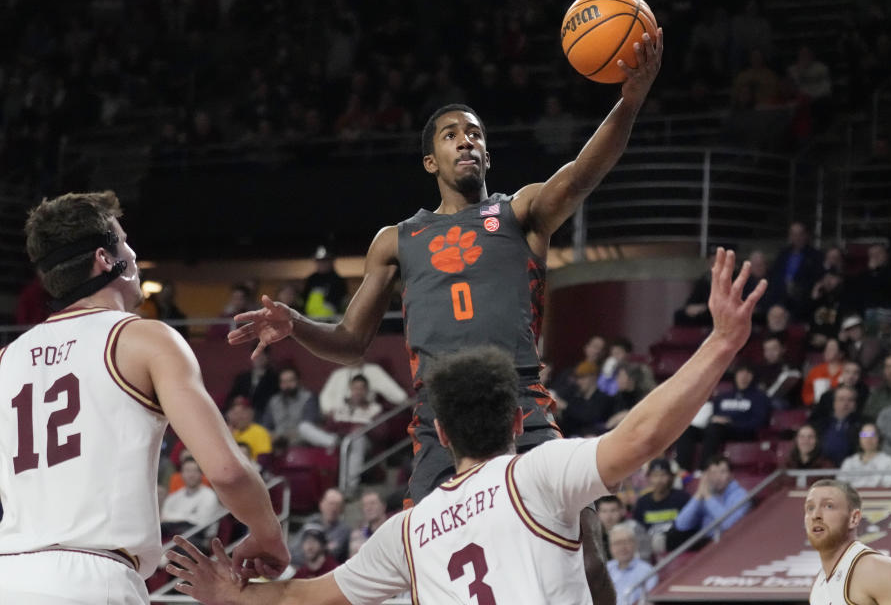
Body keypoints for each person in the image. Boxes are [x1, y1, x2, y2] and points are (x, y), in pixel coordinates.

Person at [228, 34, 663, 603]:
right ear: (431, 159)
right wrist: (297, 326)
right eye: (453, 134)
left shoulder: (520, 213)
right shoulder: (397, 240)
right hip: (440, 418)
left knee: (579, 538)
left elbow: (582, 173)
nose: (468, 142)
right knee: (424, 561)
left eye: (476, 134)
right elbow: (351, 341)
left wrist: (629, 101)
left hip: (519, 402)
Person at [165, 247, 765, 605]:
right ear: (516, 417)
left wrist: (232, 595)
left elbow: (306, 595)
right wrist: (721, 343)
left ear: (441, 435)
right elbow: (643, 437)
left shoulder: (409, 528)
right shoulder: (538, 475)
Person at [0, 191, 288, 604]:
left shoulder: (6, 359)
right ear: (105, 258)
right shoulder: (144, 338)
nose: (134, 254)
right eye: (125, 240)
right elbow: (226, 470)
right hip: (93, 578)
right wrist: (268, 534)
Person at [805, 480, 891, 604]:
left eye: (829, 506)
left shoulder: (877, 569)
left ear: (854, 518)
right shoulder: (819, 582)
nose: (815, 515)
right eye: (810, 507)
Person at [669, 455, 750, 550]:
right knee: (674, 537)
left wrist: (707, 496)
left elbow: (729, 525)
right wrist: (698, 494)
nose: (717, 477)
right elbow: (681, 524)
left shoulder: (741, 495)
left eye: (722, 472)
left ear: (731, 475)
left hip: (733, 543)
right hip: (706, 545)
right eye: (712, 472)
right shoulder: (704, 494)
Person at [632, 458, 690, 558]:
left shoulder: (682, 498)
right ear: (648, 478)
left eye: (663, 475)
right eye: (655, 475)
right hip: (650, 552)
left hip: (677, 549)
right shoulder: (642, 502)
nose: (659, 480)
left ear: (670, 477)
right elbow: (638, 530)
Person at [606, 523, 657, 605]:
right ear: (610, 547)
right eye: (617, 543)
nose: (622, 547)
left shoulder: (647, 571)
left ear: (635, 544)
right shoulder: (605, 569)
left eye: (626, 542)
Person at [838, 423, 891, 488]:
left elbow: (890, 485)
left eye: (872, 435)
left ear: (879, 439)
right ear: (859, 439)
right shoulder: (849, 462)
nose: (868, 439)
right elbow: (840, 486)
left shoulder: (888, 461)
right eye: (864, 435)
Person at [302, 245, 347, 319]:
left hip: (331, 320)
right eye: (319, 261)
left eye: (325, 260)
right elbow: (304, 299)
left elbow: (341, 303)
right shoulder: (311, 279)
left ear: (331, 261)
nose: (321, 264)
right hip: (310, 318)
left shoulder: (338, 280)